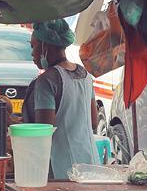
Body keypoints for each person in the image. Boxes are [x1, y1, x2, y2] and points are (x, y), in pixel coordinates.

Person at [21, 18, 97, 179]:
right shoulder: (85, 75)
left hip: (61, 168)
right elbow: (94, 122)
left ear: (45, 45)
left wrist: (12, 125)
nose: (32, 53)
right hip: (90, 162)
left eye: (34, 46)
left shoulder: (47, 80)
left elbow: (43, 130)